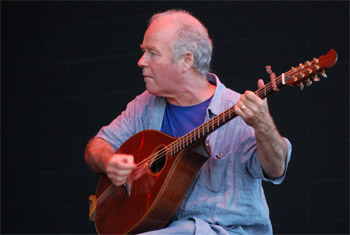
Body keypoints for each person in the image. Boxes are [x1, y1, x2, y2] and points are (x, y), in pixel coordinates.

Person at [84, 9, 292, 234]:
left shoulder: (237, 109)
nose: (141, 61)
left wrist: (263, 125)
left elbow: (276, 168)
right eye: (143, 51)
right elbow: (97, 146)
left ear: (186, 60)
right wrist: (109, 161)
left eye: (153, 53)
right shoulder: (145, 105)